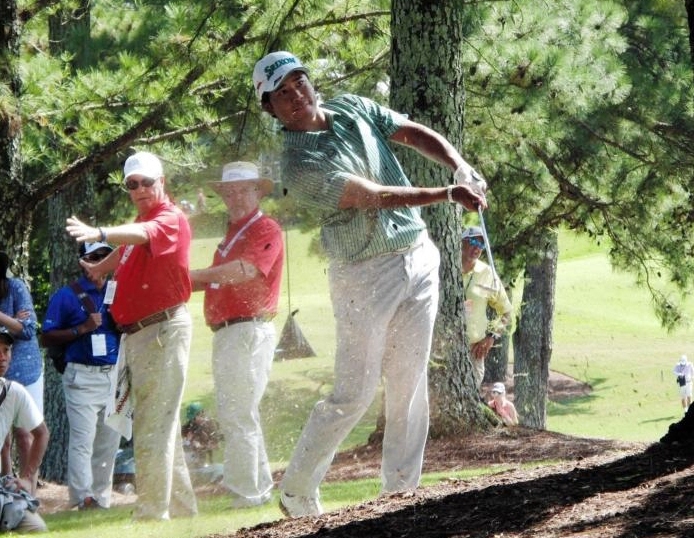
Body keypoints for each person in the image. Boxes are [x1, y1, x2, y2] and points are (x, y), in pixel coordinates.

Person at [253, 50, 487, 517]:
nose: (295, 94)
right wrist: (446, 193)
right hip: (363, 275)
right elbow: (370, 197)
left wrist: (459, 166)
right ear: (270, 109)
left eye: (298, 81)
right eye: (281, 92)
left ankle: (400, 493)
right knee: (354, 393)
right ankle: (297, 490)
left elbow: (411, 132)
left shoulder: (355, 107)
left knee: (409, 382)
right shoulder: (298, 165)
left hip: (417, 255)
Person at [64, 151, 198, 521]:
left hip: (161, 330)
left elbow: (141, 235)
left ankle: (152, 515)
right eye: (132, 184)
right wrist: (100, 267)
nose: (139, 189)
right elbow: (129, 248)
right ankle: (184, 512)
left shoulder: (168, 218)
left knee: (154, 427)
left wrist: (99, 233)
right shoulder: (144, 221)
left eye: (147, 182)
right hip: (143, 334)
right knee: (159, 425)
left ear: (162, 183)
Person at [189, 161, 284, 508]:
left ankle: (247, 492)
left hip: (247, 328)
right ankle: (255, 489)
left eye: (243, 189)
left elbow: (244, 271)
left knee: (239, 413)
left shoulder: (265, 228)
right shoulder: (232, 234)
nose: (234, 197)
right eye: (229, 191)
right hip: (230, 331)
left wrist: (190, 275)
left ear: (258, 191)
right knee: (240, 412)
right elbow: (219, 277)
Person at [39, 241, 121, 510]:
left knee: (108, 443)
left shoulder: (117, 291)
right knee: (83, 442)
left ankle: (102, 499)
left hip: (114, 375)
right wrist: (82, 329)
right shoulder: (66, 295)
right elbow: (46, 336)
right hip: (81, 376)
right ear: (82, 261)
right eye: (92, 256)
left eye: (104, 256)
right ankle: (82, 499)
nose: (98, 261)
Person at [0, 251, 44, 493]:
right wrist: (12, 321)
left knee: (25, 432)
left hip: (25, 368)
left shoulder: (16, 287)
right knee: (2, 439)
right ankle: (5, 487)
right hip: (1, 369)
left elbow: (27, 330)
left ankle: (29, 491)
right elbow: (17, 326)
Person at [0, 328, 49, 532]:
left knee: (37, 529)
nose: (2, 358)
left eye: (6, 350)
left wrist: (28, 478)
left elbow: (42, 433)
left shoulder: (14, 392)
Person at [460, 226, 513, 391]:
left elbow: (506, 312)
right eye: (473, 241)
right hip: (442, 350)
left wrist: (491, 337)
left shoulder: (486, 273)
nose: (477, 248)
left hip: (473, 350)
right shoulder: (445, 267)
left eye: (482, 245)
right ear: (461, 242)